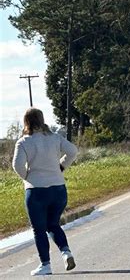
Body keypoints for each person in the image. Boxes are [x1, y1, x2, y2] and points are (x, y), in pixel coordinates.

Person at [12, 108, 78, 276]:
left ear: (26, 122)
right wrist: (61, 166)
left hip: (36, 191)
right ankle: (66, 252)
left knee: (39, 229)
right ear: (41, 120)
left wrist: (27, 176)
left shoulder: (24, 142)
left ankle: (45, 265)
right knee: (53, 224)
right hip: (58, 189)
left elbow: (17, 166)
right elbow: (73, 151)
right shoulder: (55, 138)